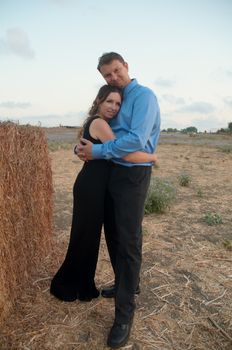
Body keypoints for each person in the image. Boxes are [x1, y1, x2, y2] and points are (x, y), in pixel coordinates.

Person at [78, 52, 161, 348]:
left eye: (116, 71)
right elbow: (105, 131)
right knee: (114, 234)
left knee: (127, 240)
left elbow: (136, 139)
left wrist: (98, 152)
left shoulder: (144, 96)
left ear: (126, 66)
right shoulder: (119, 97)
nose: (113, 78)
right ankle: (130, 284)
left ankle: (124, 316)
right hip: (114, 171)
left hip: (133, 175)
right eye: (107, 76)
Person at [50, 84, 157, 303]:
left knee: (87, 236)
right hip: (91, 187)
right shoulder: (99, 123)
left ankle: (82, 283)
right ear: (99, 100)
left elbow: (90, 148)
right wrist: (152, 158)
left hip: (97, 186)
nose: (114, 107)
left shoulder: (101, 123)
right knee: (84, 236)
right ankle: (70, 284)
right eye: (109, 101)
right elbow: (124, 155)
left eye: (118, 103)